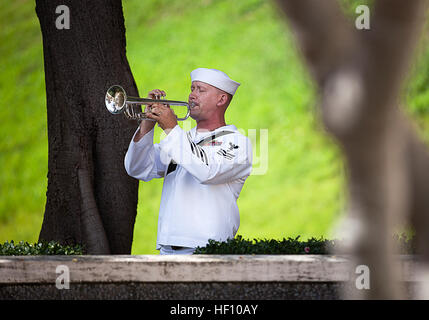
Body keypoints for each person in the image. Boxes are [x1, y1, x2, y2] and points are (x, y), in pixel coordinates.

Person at [124, 68, 253, 255]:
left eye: (200, 90)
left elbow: (208, 172)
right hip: (167, 247)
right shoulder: (180, 139)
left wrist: (171, 128)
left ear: (221, 99)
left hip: (209, 248)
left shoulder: (236, 142)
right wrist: (147, 124)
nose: (192, 95)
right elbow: (137, 168)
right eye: (192, 88)